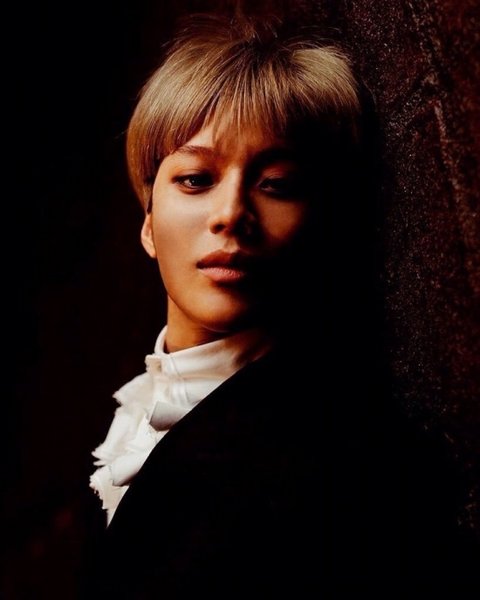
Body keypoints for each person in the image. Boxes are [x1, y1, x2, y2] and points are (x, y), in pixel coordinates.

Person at [81, 12, 479, 598]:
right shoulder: (131, 419)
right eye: (195, 179)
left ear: (323, 226)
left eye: (278, 184)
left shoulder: (350, 465)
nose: (231, 214)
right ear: (147, 223)